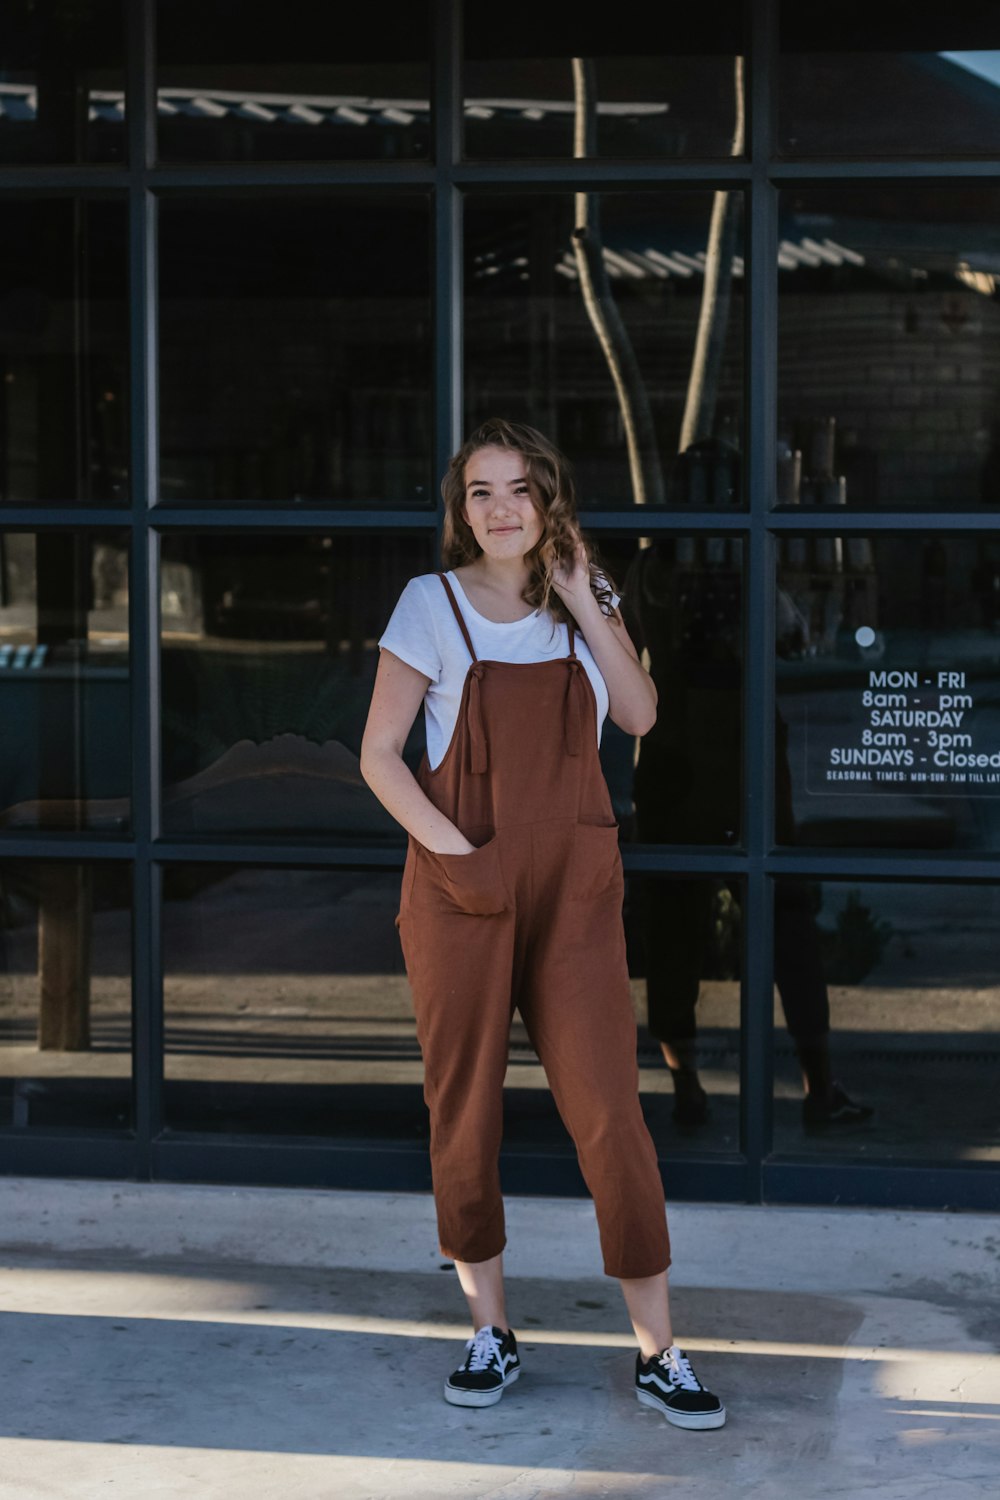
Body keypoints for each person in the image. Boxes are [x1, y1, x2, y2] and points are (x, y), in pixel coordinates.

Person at [360, 418, 726, 1429]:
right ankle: (489, 1327)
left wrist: (585, 600)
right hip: (458, 887)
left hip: (574, 887)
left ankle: (660, 1350)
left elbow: (642, 716)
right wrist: (457, 855)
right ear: (460, 509)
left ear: (549, 498)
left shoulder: (588, 597)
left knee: (610, 1109)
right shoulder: (427, 605)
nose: (500, 508)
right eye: (480, 491)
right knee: (463, 1106)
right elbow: (381, 756)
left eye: (519, 488)